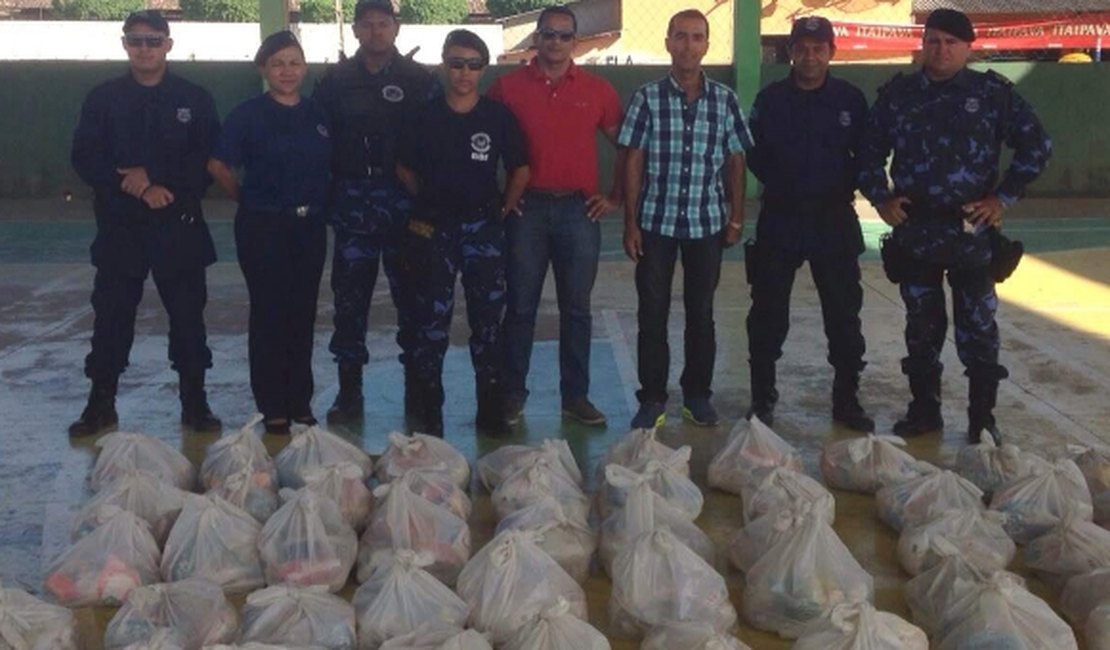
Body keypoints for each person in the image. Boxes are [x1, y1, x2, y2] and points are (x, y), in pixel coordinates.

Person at [858, 8, 1052, 443]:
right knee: (922, 330)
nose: (940, 50)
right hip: (917, 232)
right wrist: (880, 198)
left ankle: (982, 419)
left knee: (979, 331)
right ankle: (924, 411)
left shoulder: (991, 94)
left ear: (968, 47)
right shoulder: (899, 94)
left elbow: (1037, 145)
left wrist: (1002, 198)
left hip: (971, 234)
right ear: (923, 44)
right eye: (933, 41)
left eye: (950, 42)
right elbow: (867, 150)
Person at [68, 10, 221, 437]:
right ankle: (100, 404)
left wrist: (155, 180)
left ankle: (195, 403)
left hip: (180, 225)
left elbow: (207, 161)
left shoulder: (195, 98)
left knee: (189, 322)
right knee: (112, 321)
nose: (145, 48)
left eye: (153, 40)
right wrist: (134, 187)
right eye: (136, 40)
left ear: (168, 44)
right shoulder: (103, 98)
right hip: (122, 229)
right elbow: (85, 157)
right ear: (124, 44)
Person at [487, 4, 624, 427]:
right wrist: (502, 196)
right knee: (521, 307)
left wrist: (615, 196)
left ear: (576, 43)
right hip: (527, 212)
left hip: (577, 211)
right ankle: (512, 395)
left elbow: (627, 145)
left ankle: (575, 397)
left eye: (565, 35)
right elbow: (478, 142)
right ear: (537, 38)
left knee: (577, 310)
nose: (556, 42)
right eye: (549, 34)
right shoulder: (507, 89)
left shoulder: (598, 90)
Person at [620, 9, 751, 430]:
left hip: (706, 224)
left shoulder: (725, 100)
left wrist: (736, 218)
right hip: (656, 223)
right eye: (681, 36)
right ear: (668, 42)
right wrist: (631, 222)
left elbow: (735, 160)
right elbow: (633, 158)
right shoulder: (647, 97)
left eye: (697, 37)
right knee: (652, 314)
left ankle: (697, 396)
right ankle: (652, 399)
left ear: (707, 45)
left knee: (702, 313)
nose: (688, 45)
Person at [395, 30, 530, 436]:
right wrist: (430, 200)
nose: (464, 73)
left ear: (484, 70)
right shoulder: (424, 115)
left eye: (473, 65)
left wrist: (503, 207)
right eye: (456, 64)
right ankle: (428, 409)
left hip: (482, 230)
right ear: (444, 66)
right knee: (431, 323)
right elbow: (402, 167)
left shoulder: (497, 116)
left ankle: (490, 408)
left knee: (488, 322)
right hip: (433, 230)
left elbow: (520, 167)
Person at [312, 0, 439, 427]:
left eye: (383, 24)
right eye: (366, 24)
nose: (375, 31)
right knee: (349, 304)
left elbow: (439, 140)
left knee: (413, 301)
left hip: (403, 208)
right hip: (352, 205)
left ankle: (416, 391)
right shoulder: (335, 81)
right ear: (355, 30)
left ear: (396, 28)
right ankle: (349, 393)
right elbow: (319, 138)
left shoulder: (419, 80)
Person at [744, 16, 873, 431]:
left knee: (843, 313)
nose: (810, 56)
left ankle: (846, 398)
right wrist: (784, 183)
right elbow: (755, 153)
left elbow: (866, 155)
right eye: (803, 48)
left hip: (833, 218)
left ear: (831, 52)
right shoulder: (771, 100)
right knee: (766, 311)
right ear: (791, 52)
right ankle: (763, 397)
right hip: (781, 218)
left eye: (819, 48)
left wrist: (838, 185)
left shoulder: (850, 100)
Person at [207, 32, 331, 435]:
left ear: (305, 67)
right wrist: (248, 200)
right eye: (277, 63)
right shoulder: (248, 114)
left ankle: (300, 401)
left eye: (294, 62)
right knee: (269, 314)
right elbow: (219, 165)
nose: (286, 71)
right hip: (264, 228)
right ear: (263, 69)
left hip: (309, 226)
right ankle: (273, 405)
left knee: (302, 313)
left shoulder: (318, 114)